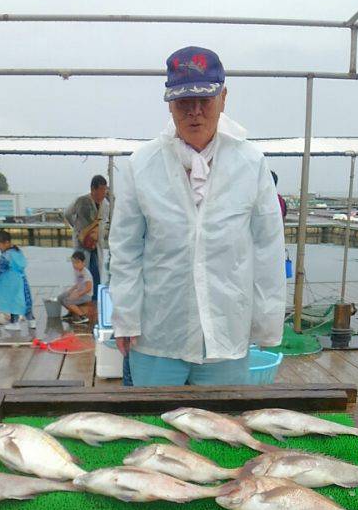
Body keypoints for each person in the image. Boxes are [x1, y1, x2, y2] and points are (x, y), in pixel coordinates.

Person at [109, 46, 286, 387]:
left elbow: (268, 248)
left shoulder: (251, 162)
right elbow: (126, 249)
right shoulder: (141, 164)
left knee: (223, 433)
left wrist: (266, 324)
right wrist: (126, 319)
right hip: (158, 335)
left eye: (204, 100)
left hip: (226, 335)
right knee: (155, 430)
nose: (194, 112)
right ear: (169, 104)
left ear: (224, 97)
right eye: (182, 102)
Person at [64, 175, 108, 313]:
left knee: (96, 275)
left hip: (97, 245)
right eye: (100, 190)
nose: (103, 194)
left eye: (105, 190)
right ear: (92, 189)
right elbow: (67, 214)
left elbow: (107, 220)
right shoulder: (81, 200)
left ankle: (94, 303)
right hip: (82, 245)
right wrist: (76, 230)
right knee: (82, 273)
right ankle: (81, 305)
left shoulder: (106, 204)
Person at [0, 230, 35, 330]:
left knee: (13, 303)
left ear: (7, 243)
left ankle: (15, 323)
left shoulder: (6, 256)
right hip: (22, 281)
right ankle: (32, 321)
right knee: (26, 301)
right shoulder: (17, 251)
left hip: (11, 283)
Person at [58, 250, 93, 324]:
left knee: (68, 300)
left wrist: (78, 294)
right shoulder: (77, 271)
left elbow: (88, 288)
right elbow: (78, 284)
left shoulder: (86, 273)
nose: (74, 265)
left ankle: (82, 317)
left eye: (77, 262)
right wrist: (70, 291)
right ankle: (70, 314)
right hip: (80, 292)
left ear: (83, 263)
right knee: (60, 297)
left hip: (86, 295)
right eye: (73, 262)